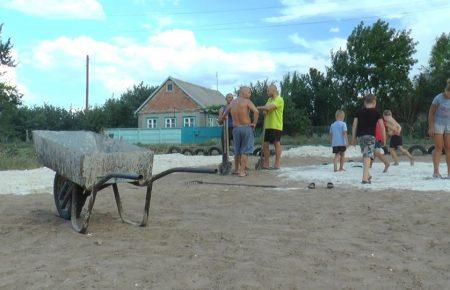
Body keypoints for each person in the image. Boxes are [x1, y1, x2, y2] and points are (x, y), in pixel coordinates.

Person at [351, 94, 386, 184]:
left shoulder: (358, 112)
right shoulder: (376, 112)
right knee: (367, 156)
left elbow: (354, 125)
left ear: (364, 102)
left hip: (360, 137)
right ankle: (364, 179)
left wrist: (353, 138)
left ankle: (368, 174)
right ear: (374, 102)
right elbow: (382, 127)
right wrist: (384, 139)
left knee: (366, 155)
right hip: (370, 136)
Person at [229, 86, 259, 177]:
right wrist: (254, 123)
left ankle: (236, 170)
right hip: (246, 128)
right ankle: (242, 172)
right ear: (242, 93)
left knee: (237, 151)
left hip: (236, 129)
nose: (250, 94)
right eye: (249, 92)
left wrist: (221, 119)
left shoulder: (232, 102)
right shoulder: (247, 101)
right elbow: (256, 112)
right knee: (245, 151)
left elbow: (225, 113)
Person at [257, 84, 284, 170]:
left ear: (273, 90)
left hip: (276, 125)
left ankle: (277, 163)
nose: (267, 92)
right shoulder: (269, 99)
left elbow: (268, 107)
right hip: (267, 125)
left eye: (268, 91)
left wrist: (259, 108)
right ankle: (266, 163)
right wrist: (265, 110)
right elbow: (266, 110)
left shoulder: (279, 99)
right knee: (265, 144)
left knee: (276, 143)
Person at [428, 78, 450, 179]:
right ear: (445, 90)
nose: (448, 96)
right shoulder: (438, 98)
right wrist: (431, 127)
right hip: (438, 124)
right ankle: (436, 172)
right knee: (439, 148)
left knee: (449, 148)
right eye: (447, 93)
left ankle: (449, 173)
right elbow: (431, 113)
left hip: (448, 125)